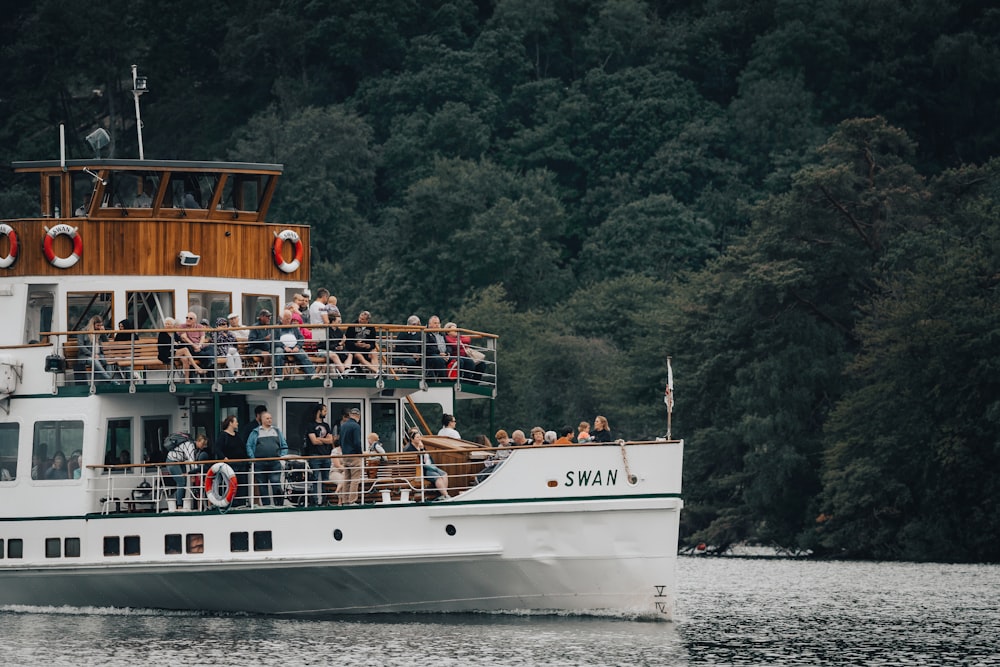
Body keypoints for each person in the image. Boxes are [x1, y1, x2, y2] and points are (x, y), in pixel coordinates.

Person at [245, 411, 289, 506]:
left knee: (276, 483)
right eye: (267, 418)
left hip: (275, 463)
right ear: (262, 419)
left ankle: (279, 504)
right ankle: (266, 505)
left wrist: (282, 457)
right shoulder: (255, 432)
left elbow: (284, 445)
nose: (270, 420)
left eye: (270, 418)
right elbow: (249, 445)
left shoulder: (276, 431)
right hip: (260, 463)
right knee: (262, 486)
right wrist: (253, 458)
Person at [165, 433, 210, 511]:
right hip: (172, 461)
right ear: (198, 441)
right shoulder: (190, 445)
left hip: (180, 462)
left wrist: (193, 474)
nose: (203, 447)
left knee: (184, 482)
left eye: (205, 445)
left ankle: (175, 500)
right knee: (181, 482)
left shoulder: (194, 448)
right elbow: (192, 461)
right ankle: (179, 505)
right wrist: (198, 475)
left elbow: (190, 461)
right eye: (203, 444)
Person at [404, 429, 451, 500]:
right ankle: (446, 495)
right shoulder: (409, 449)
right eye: (417, 437)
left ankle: (443, 495)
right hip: (421, 470)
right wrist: (422, 449)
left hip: (428, 466)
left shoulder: (420, 445)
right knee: (437, 477)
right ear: (412, 439)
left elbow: (427, 456)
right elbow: (419, 460)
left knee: (444, 474)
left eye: (420, 437)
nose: (419, 439)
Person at [274, 310, 320, 379]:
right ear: (281, 319)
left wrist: (298, 347)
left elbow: (301, 338)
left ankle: (312, 374)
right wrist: (284, 347)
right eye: (287, 319)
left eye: (290, 319)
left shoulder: (294, 327)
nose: (288, 321)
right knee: (278, 353)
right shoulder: (276, 328)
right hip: (281, 347)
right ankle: (279, 376)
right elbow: (274, 340)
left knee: (303, 354)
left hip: (294, 347)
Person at [158, 317, 205, 383]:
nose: (167, 325)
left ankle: (187, 380)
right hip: (166, 354)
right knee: (185, 350)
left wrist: (176, 344)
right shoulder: (162, 334)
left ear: (172, 325)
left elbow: (180, 342)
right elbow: (166, 345)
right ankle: (196, 367)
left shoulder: (174, 333)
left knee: (185, 359)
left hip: (175, 352)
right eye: (166, 324)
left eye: (169, 324)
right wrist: (175, 344)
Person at [304, 403, 334, 506]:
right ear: (319, 412)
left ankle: (325, 501)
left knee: (326, 480)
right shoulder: (310, 425)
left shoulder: (326, 425)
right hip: (314, 456)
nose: (326, 412)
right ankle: (315, 501)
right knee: (315, 479)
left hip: (326, 456)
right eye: (324, 410)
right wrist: (324, 440)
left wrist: (320, 439)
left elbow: (331, 440)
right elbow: (314, 441)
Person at [215, 415, 248, 507]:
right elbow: (217, 448)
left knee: (242, 483)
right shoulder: (223, 435)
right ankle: (232, 503)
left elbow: (242, 447)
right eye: (235, 421)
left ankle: (242, 502)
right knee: (231, 484)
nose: (237, 423)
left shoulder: (237, 435)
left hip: (240, 464)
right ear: (230, 423)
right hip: (230, 465)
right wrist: (224, 458)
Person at [77, 315, 118, 384]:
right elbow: (81, 346)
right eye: (97, 325)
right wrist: (91, 354)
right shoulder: (83, 331)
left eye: (100, 325)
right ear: (93, 325)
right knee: (94, 361)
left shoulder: (99, 332)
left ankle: (109, 380)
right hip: (85, 356)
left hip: (99, 355)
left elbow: (106, 342)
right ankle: (109, 380)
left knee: (108, 360)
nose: (99, 327)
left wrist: (103, 333)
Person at [339, 407, 363, 505]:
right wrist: (360, 454)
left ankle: (345, 500)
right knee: (355, 479)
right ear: (357, 416)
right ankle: (352, 500)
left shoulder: (343, 425)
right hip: (354, 455)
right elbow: (357, 442)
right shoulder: (356, 426)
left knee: (347, 478)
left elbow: (340, 441)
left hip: (345, 455)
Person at [178, 312, 215, 377]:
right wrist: (194, 346)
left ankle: (208, 363)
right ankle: (209, 365)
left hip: (199, 347)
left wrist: (199, 346)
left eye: (190, 318)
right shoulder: (182, 326)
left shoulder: (199, 326)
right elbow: (185, 338)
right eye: (187, 318)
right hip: (190, 348)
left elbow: (202, 338)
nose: (188, 319)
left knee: (211, 347)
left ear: (195, 320)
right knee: (208, 357)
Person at [346, 310, 378, 376]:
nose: (360, 320)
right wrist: (355, 344)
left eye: (362, 319)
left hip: (366, 350)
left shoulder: (371, 328)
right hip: (354, 350)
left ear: (367, 320)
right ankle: (377, 371)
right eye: (360, 318)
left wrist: (368, 346)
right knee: (359, 356)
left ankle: (376, 374)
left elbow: (373, 344)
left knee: (374, 353)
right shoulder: (352, 326)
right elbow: (347, 341)